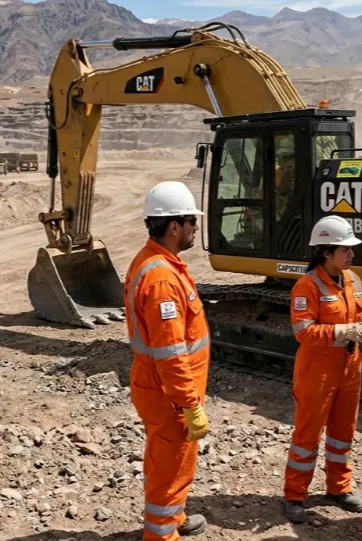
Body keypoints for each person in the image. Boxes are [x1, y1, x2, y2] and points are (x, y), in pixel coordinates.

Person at [123, 181, 211, 540]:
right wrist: (189, 404)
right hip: (169, 392)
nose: (196, 227)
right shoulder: (161, 279)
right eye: (192, 221)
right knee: (170, 465)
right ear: (174, 227)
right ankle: (161, 535)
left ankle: (172, 518)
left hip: (165, 388)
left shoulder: (159, 264)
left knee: (170, 460)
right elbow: (171, 354)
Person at [284, 215, 362, 523]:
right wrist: (343, 331)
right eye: (345, 249)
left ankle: (339, 488)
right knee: (307, 435)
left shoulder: (354, 280)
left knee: (342, 434)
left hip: (349, 367)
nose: (351, 254)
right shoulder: (307, 286)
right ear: (326, 252)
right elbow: (303, 331)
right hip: (317, 371)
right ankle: (295, 495)